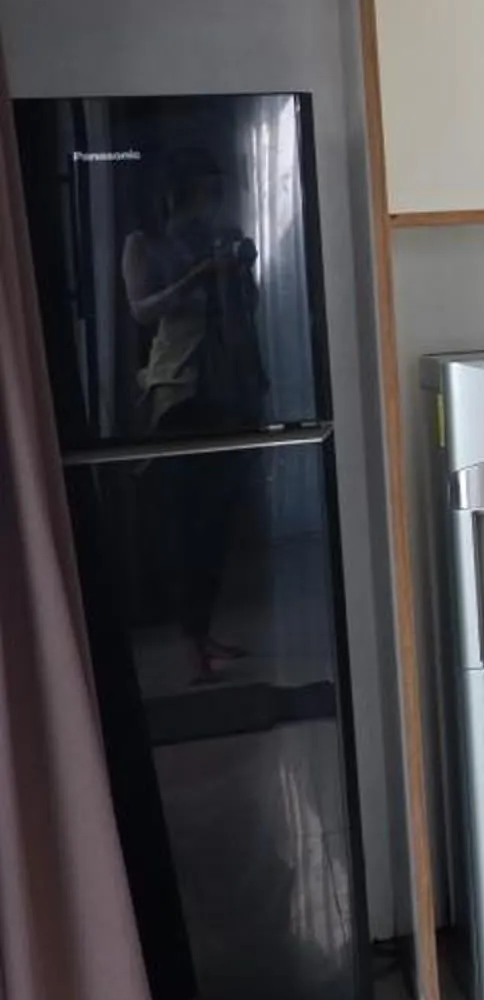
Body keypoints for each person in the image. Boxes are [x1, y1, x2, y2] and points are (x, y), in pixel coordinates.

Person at [119, 146, 261, 678]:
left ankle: (203, 633)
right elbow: (140, 311)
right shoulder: (144, 243)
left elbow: (245, 311)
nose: (215, 199)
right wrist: (198, 276)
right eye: (208, 187)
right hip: (176, 392)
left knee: (218, 523)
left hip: (229, 388)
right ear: (180, 189)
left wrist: (239, 272)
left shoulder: (217, 237)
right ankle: (190, 643)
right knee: (184, 526)